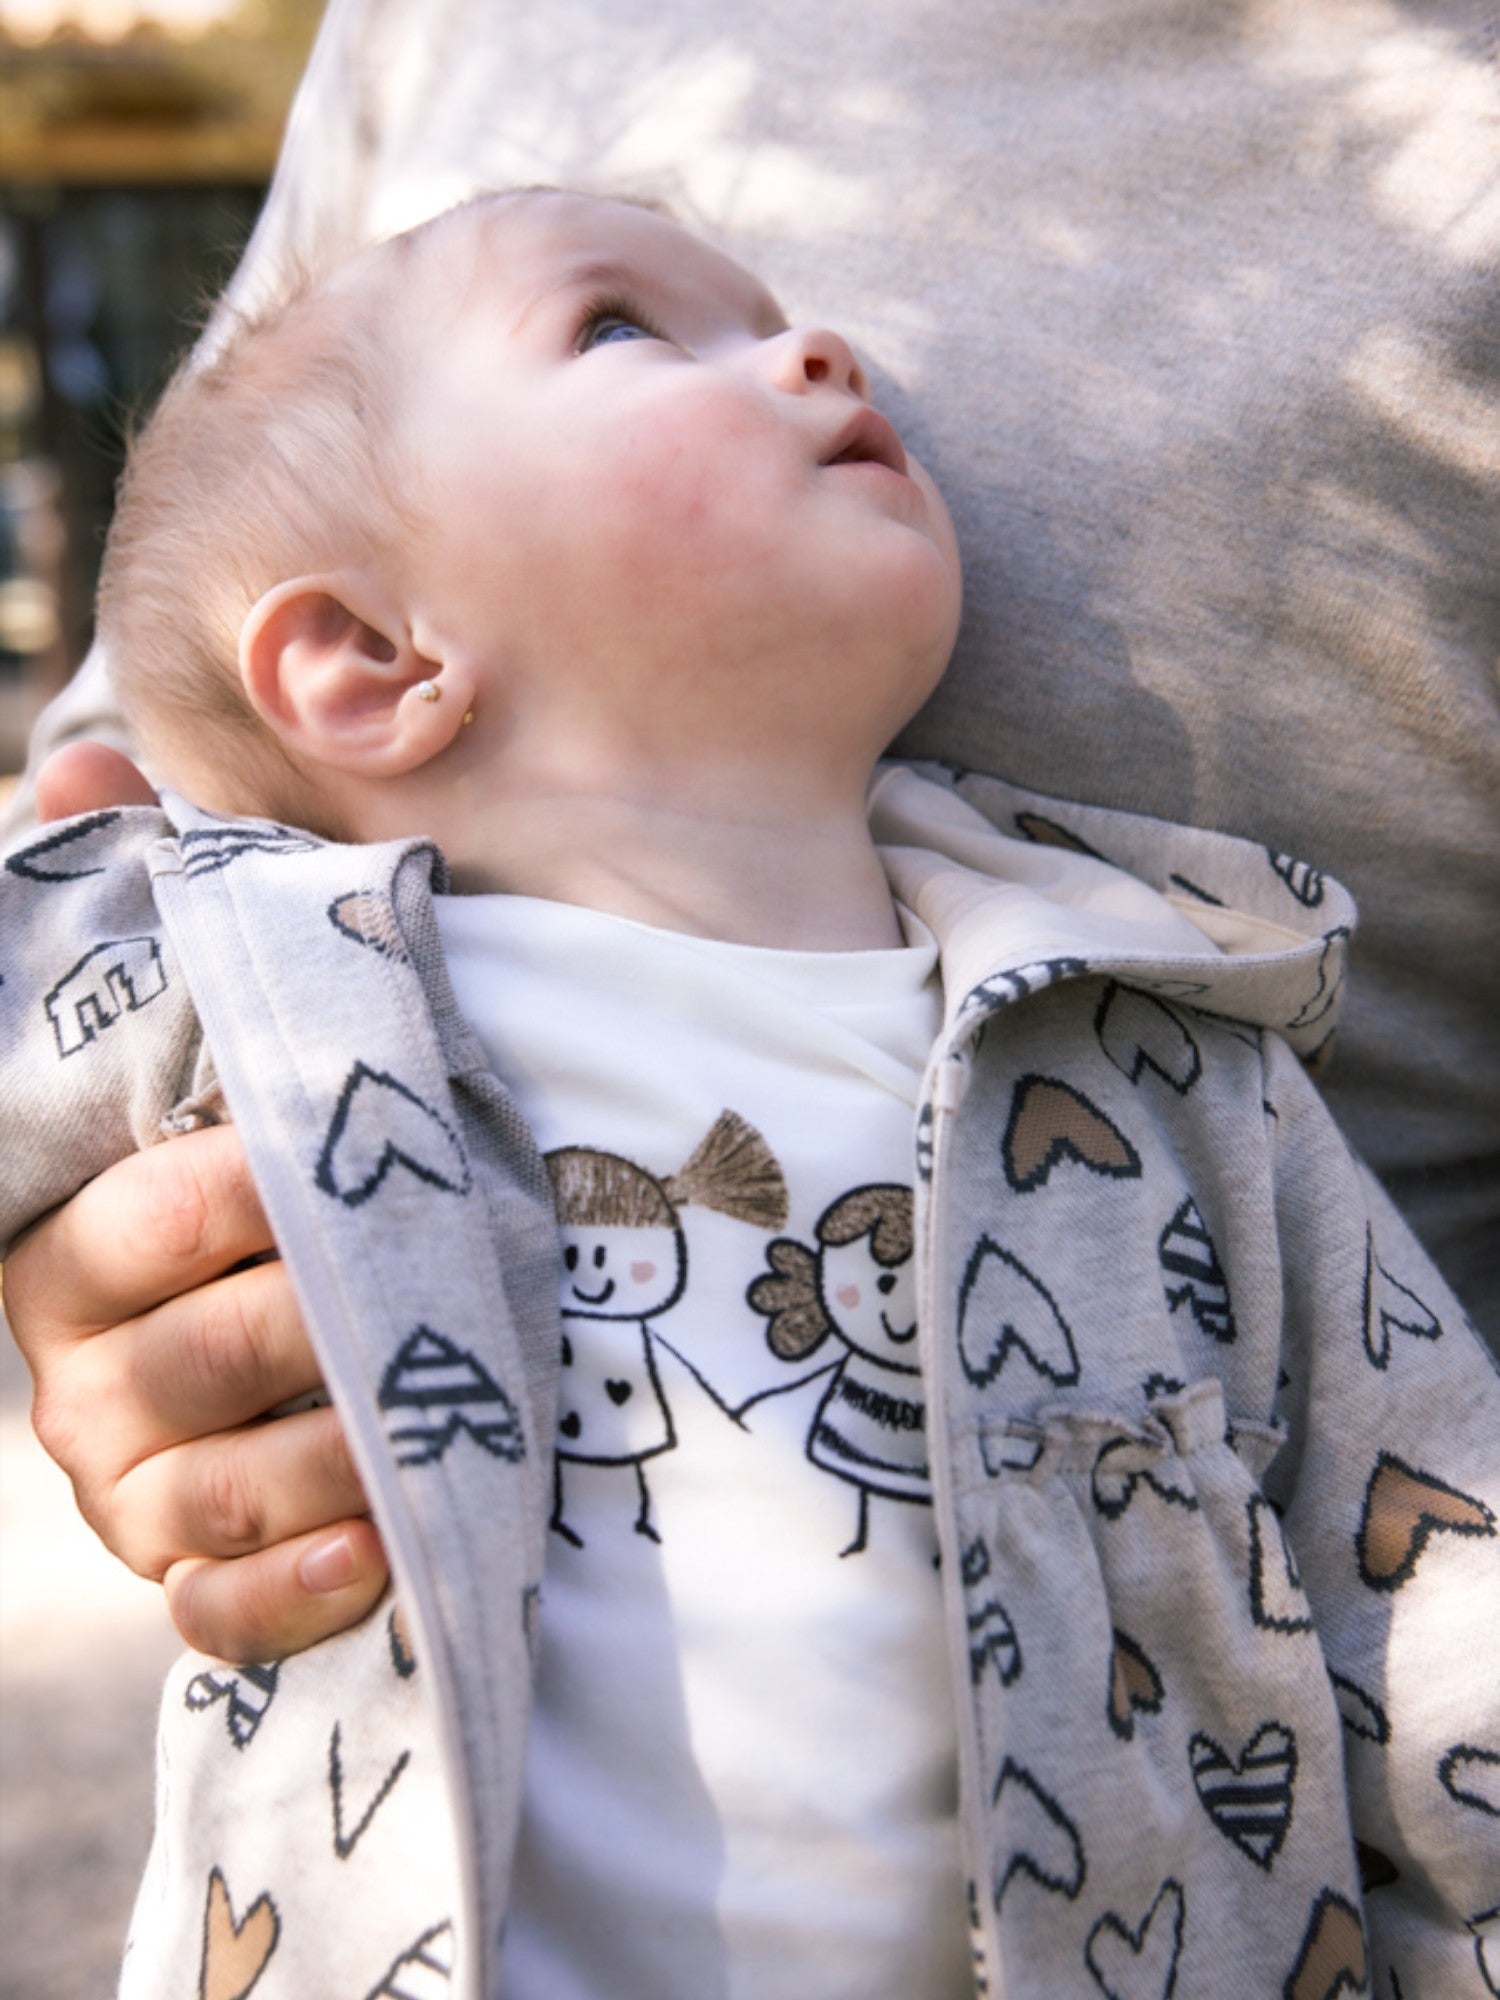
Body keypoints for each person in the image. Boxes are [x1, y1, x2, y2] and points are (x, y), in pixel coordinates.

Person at [3, 185, 1497, 2000]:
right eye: (623, 327)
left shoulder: (1168, 1045)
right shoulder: (250, 989)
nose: (816, 347)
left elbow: (1433, 1594)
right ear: (375, 663)